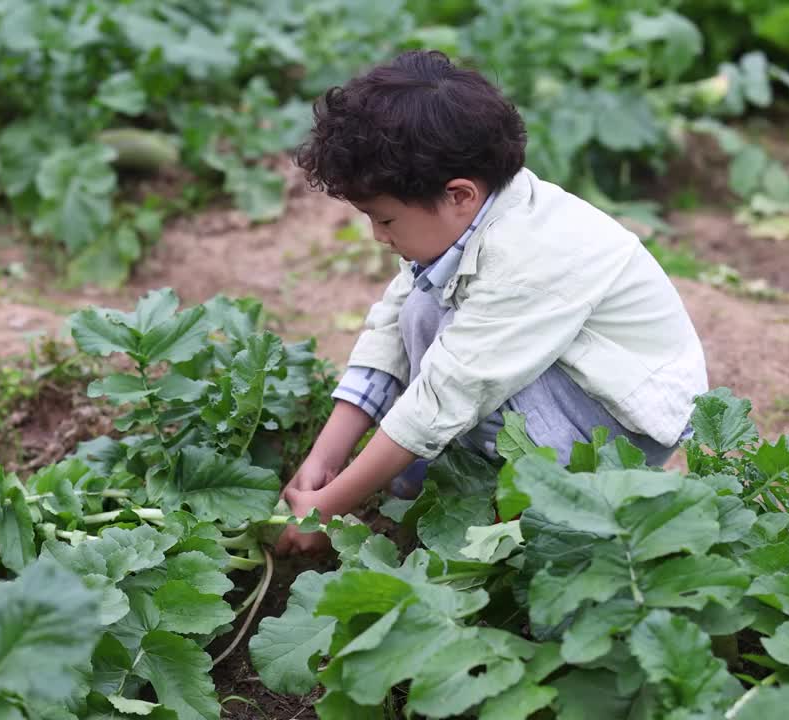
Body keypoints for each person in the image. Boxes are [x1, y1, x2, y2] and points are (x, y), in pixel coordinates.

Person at [276, 50, 708, 555]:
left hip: (620, 427)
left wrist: (329, 507)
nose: (377, 236)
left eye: (385, 220)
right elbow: (391, 327)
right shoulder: (463, 221)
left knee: (452, 366)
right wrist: (326, 457)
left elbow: (450, 390)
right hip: (573, 381)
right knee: (419, 311)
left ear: (459, 194)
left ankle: (544, 516)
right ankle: (452, 476)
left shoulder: (530, 253)